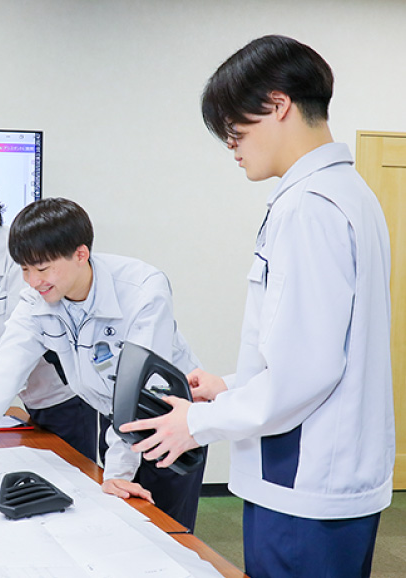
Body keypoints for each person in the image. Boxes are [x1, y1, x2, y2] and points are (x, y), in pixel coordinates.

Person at [119, 35, 394, 578]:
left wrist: (198, 422)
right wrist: (231, 385)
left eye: (235, 131)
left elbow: (304, 372)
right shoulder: (350, 193)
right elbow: (321, 346)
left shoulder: (308, 206)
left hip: (301, 486)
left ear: (278, 104)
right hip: (331, 478)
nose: (231, 147)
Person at [0, 197, 204, 531]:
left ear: (80, 254)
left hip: (170, 425)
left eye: (42, 269)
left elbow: (138, 391)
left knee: (166, 535)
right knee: (120, 526)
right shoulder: (37, 301)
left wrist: (118, 472)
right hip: (116, 419)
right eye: (24, 270)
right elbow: (4, 368)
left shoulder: (142, 291)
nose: (32, 281)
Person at [0, 174, 100, 460]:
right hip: (30, 396)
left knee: (74, 471)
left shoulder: (20, 260)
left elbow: (17, 349)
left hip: (66, 395)